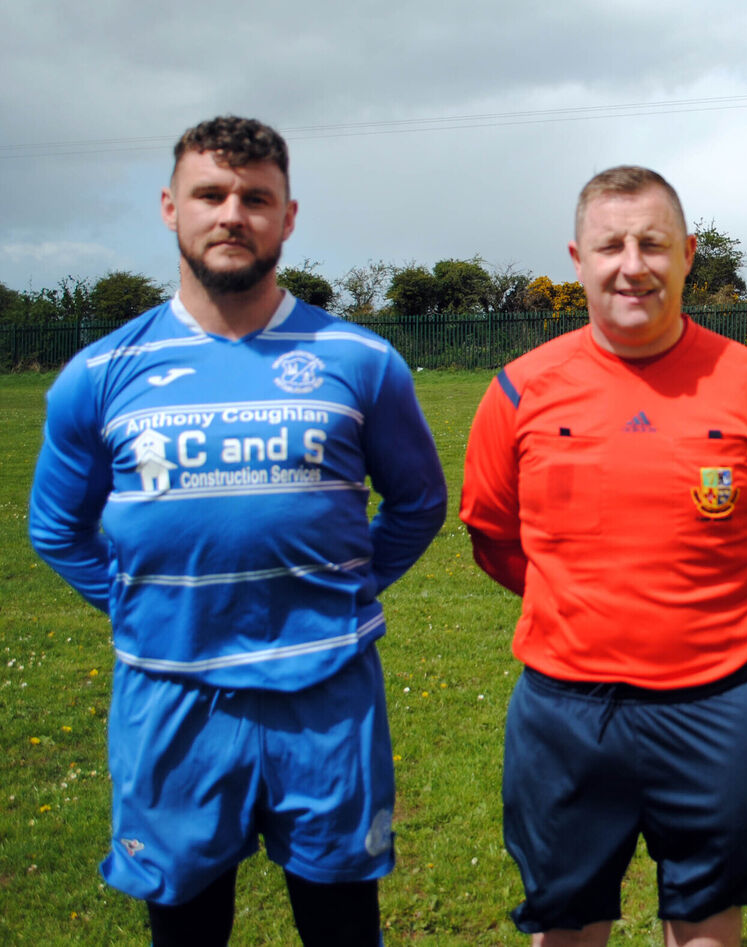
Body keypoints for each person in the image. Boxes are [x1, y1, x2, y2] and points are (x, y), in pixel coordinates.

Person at [28, 116, 447, 946]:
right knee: (185, 930)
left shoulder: (360, 359)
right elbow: (56, 529)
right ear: (169, 208)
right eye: (210, 194)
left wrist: (349, 586)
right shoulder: (101, 372)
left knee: (341, 927)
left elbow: (419, 503)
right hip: (172, 695)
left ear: (287, 216)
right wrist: (144, 607)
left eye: (256, 197)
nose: (232, 214)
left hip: (326, 694)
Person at [460, 165, 747, 946]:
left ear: (689, 252)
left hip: (715, 707)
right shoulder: (521, 390)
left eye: (653, 243)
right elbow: (493, 536)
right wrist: (576, 608)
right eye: (611, 245)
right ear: (578, 258)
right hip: (564, 711)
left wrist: (717, 606)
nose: (633, 264)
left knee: (706, 926)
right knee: (565, 926)